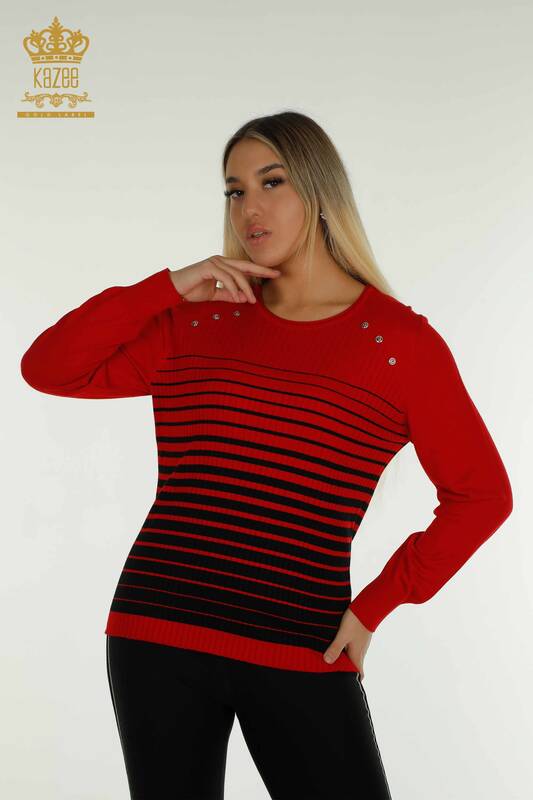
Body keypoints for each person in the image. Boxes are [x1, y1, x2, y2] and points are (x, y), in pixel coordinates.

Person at [20, 111, 513, 800]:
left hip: (301, 641)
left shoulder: (399, 345)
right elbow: (48, 367)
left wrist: (374, 605)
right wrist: (169, 287)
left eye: (271, 182)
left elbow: (482, 497)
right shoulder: (196, 319)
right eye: (234, 190)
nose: (249, 206)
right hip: (158, 630)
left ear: (319, 191)